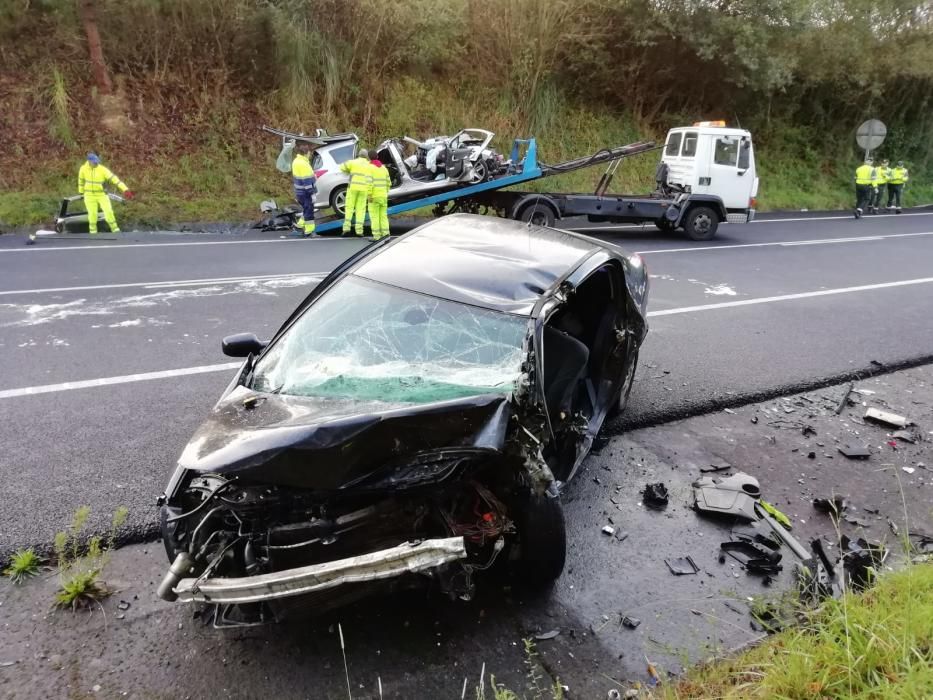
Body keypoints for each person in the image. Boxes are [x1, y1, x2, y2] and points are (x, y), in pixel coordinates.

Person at [77, 152, 133, 234]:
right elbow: (80, 181)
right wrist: (81, 192)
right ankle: (93, 232)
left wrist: (125, 189)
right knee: (92, 215)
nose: (96, 163)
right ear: (89, 161)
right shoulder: (83, 169)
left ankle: (115, 230)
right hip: (89, 196)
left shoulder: (102, 170)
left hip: (102, 195)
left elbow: (115, 179)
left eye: (96, 161)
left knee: (108, 212)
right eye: (94, 161)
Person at [340, 148, 372, 236]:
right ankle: (359, 231)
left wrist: (349, 171)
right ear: (366, 156)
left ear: (358, 155)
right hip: (363, 190)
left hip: (353, 188)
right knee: (360, 210)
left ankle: (346, 229)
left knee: (349, 208)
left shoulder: (352, 162)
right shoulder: (369, 164)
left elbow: (342, 167)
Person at [291, 142, 317, 237]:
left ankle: (299, 225)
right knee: (309, 210)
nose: (310, 154)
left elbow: (302, 177)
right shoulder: (303, 164)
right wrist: (312, 193)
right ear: (306, 153)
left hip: (299, 191)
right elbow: (306, 180)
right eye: (309, 152)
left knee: (306, 209)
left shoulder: (296, 161)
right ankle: (309, 231)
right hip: (306, 192)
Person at [367, 158, 391, 241]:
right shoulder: (384, 168)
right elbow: (389, 183)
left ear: (369, 158)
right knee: (383, 216)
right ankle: (386, 235)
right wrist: (385, 192)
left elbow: (369, 183)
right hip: (383, 196)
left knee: (375, 217)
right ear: (377, 157)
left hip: (374, 197)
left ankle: (377, 236)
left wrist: (369, 194)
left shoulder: (369, 168)